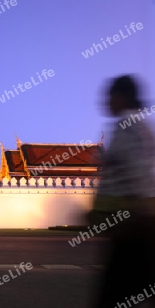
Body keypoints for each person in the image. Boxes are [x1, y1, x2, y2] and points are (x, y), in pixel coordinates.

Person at [92, 75, 155, 308]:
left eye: (111, 95)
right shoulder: (138, 125)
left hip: (132, 226)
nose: (106, 101)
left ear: (122, 97)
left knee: (111, 296)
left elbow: (137, 174)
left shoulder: (128, 126)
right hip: (134, 225)